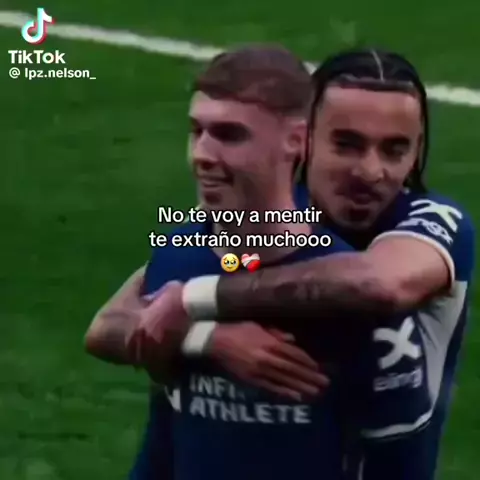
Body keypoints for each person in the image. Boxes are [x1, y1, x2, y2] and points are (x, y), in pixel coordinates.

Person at [86, 49, 475, 480]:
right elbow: (117, 321)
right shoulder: (246, 215)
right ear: (305, 139)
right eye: (346, 145)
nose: (370, 171)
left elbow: (374, 285)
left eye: (395, 149)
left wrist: (193, 301)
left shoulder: (430, 222)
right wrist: (207, 338)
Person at [88, 44, 362, 480]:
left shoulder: (340, 279)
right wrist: (207, 338)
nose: (202, 154)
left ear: (296, 141)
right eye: (196, 131)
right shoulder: (181, 248)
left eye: (230, 135)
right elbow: (106, 330)